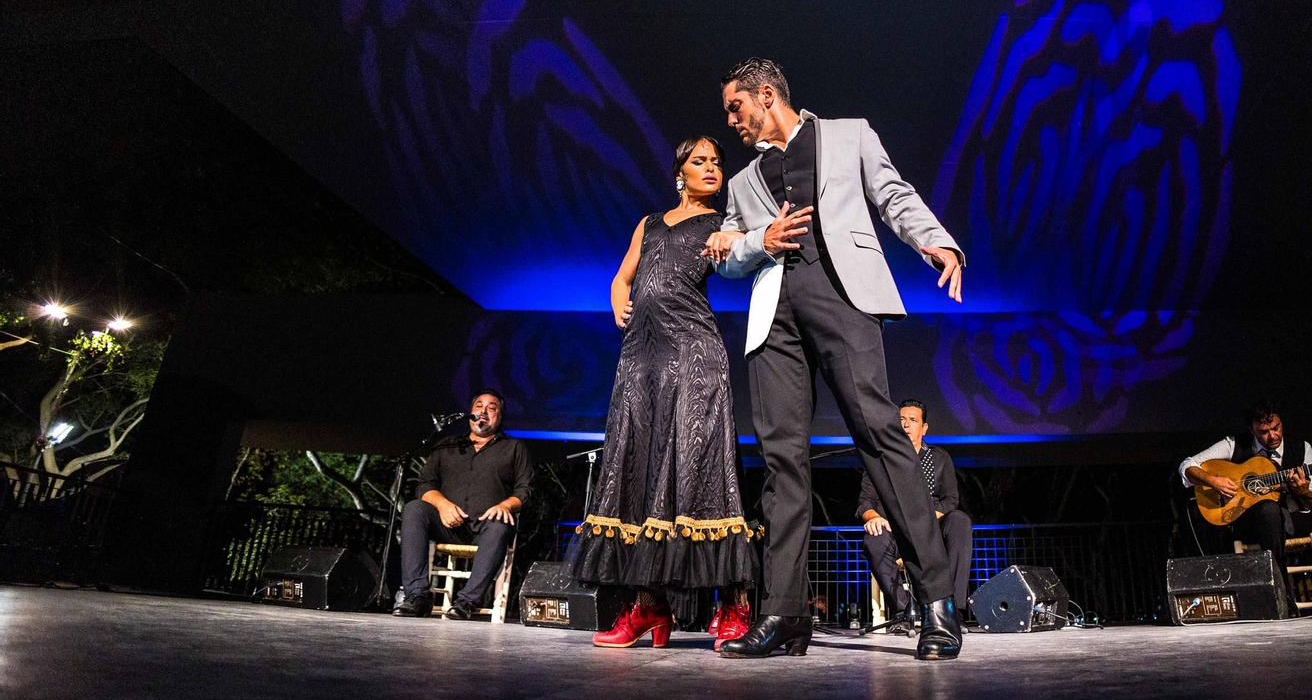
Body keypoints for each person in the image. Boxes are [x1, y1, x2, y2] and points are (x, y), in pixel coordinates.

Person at [702, 57, 967, 660]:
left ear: (765, 95)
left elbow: (892, 193)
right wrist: (757, 240)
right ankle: (784, 614)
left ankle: (937, 603)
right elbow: (730, 256)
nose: (731, 121)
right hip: (775, 314)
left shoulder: (849, 134)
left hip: (843, 296)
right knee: (782, 460)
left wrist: (934, 240)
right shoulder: (743, 182)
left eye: (735, 108)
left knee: (880, 437)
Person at [564, 136, 759, 648]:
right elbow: (621, 277)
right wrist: (618, 299)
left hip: (693, 353)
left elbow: (746, 249)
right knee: (640, 468)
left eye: (717, 162)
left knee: (701, 467)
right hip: (641, 359)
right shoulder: (650, 223)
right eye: (700, 161)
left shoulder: (723, 220)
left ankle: (733, 606)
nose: (711, 168)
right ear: (680, 172)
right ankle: (649, 608)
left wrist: (735, 236)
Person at [1180, 399, 1312, 615]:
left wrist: (1303, 491)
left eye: (1276, 428)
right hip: (1253, 522)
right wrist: (1213, 481)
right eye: (1264, 432)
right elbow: (1187, 465)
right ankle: (1283, 600)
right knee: (1269, 510)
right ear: (1252, 429)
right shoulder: (1234, 444)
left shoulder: (1302, 448)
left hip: (1294, 518)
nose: (1273, 436)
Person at [393, 390, 531, 620]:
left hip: (486, 528)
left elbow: (525, 490)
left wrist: (505, 506)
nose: (483, 412)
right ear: (470, 413)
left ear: (500, 417)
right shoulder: (447, 446)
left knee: (499, 524)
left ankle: (467, 602)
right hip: (448, 525)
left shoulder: (514, 448)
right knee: (414, 509)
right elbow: (425, 484)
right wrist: (443, 505)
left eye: (491, 408)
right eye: (479, 406)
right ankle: (417, 596)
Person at [859, 399, 973, 629]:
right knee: (874, 539)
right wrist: (873, 517)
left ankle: (952, 610)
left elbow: (950, 500)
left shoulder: (939, 458)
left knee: (960, 521)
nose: (906, 425)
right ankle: (903, 611)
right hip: (895, 529)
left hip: (931, 529)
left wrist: (928, 521)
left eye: (912, 420)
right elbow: (865, 502)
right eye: (901, 420)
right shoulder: (880, 461)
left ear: (924, 428)